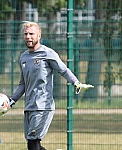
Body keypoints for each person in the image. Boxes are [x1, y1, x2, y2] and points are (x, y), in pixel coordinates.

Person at [8, 21, 93, 150]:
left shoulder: (47, 53)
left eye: (31, 34)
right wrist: (12, 100)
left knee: (33, 142)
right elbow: (23, 84)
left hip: (43, 106)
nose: (28, 37)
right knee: (33, 144)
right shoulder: (23, 57)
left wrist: (76, 83)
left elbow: (63, 70)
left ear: (39, 36)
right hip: (29, 107)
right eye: (26, 34)